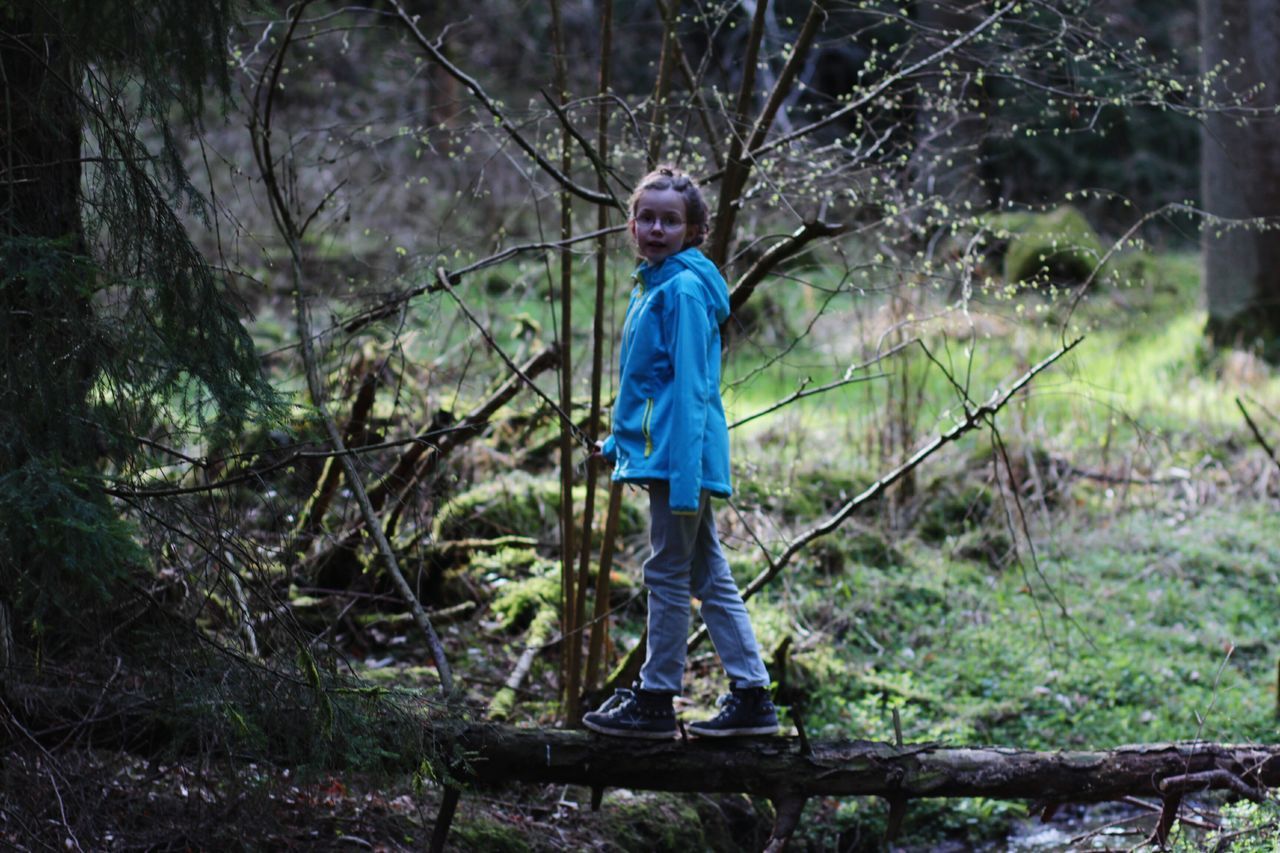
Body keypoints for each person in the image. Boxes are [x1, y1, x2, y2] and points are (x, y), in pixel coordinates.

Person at [582, 166, 778, 740]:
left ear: (694, 230)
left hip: (680, 463)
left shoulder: (685, 290)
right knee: (706, 571)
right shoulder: (654, 285)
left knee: (667, 574)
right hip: (667, 455)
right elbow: (649, 388)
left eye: (671, 220)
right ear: (632, 224)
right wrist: (616, 444)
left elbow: (693, 390)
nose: (657, 228)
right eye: (648, 218)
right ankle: (752, 695)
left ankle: (656, 699)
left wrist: (687, 477)